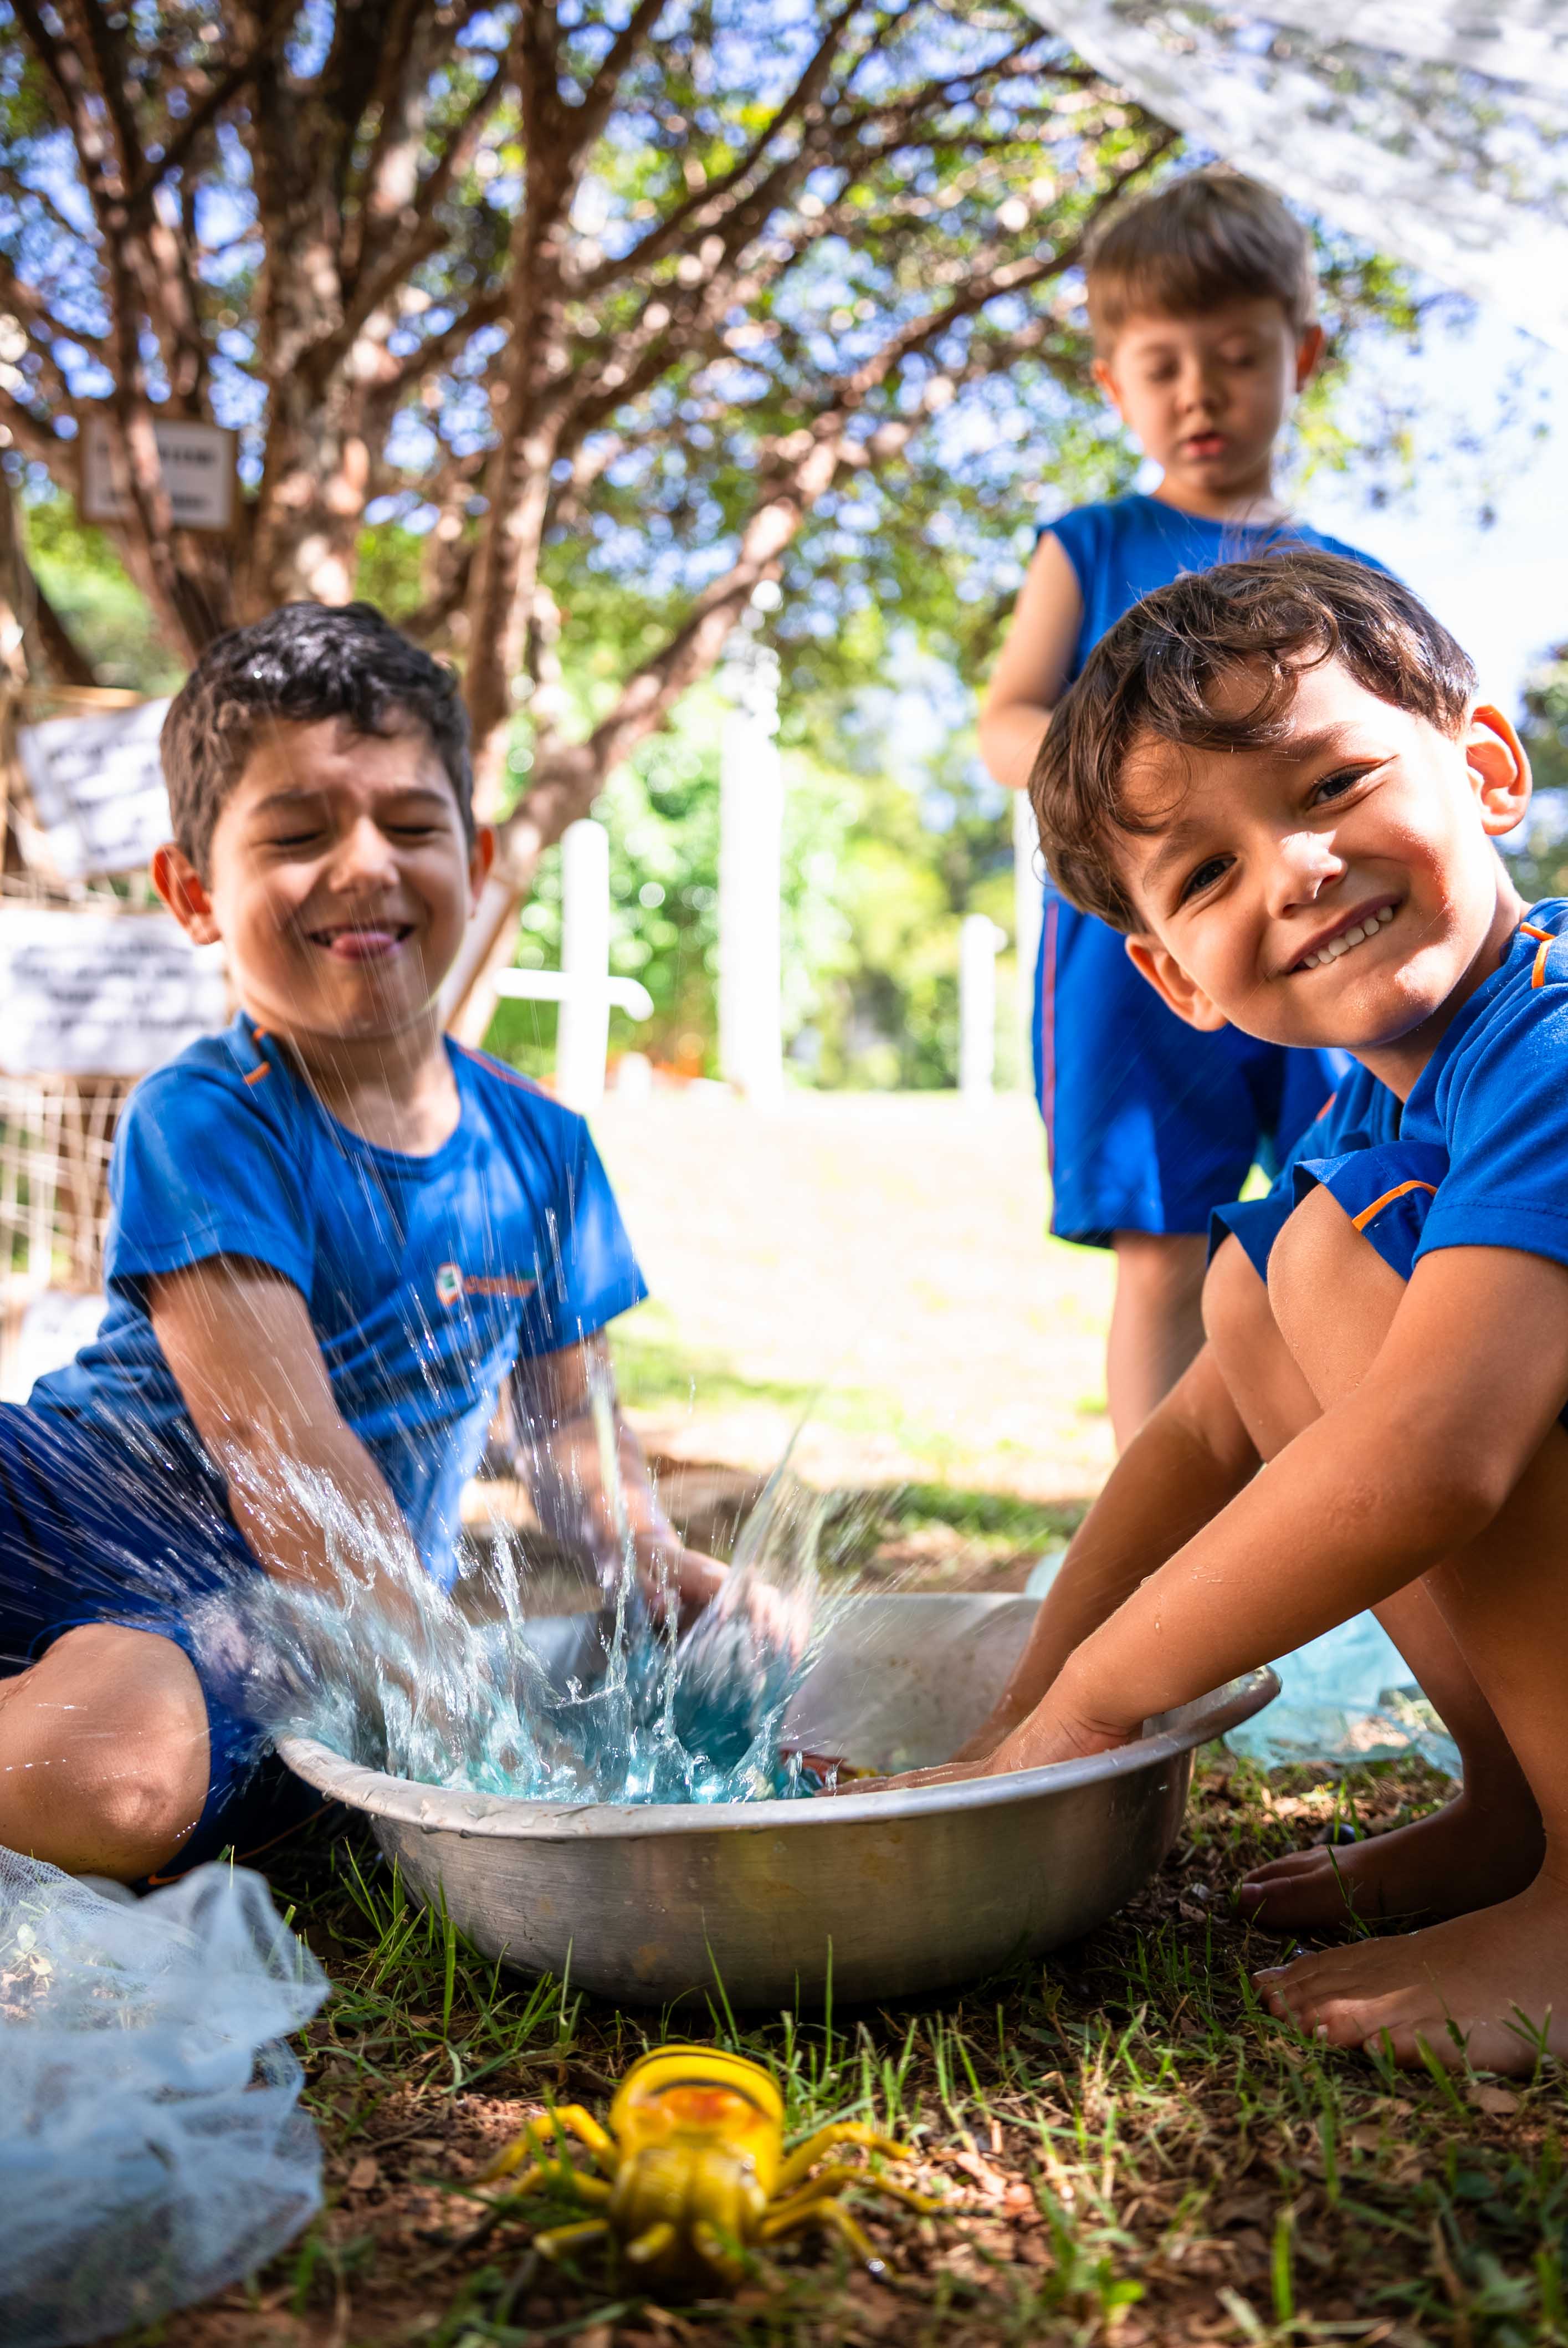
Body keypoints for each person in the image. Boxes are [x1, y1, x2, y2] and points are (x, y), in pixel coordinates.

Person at [905, 550, 1568, 2072]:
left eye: (1328, 782)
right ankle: (1522, 1800)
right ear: (1173, 976)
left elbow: (1430, 1458)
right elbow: (1201, 1425)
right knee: (1261, 1278)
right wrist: (1012, 1733)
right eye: (1202, 873)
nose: (1289, 868)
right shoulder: (1365, 1120)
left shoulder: (1546, 1043)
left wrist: (1093, 1702)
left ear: (1481, 769)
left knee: (1331, 1256)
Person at [0, 602, 727, 1885]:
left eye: (408, 823)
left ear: (479, 853)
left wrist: (656, 1565)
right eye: (295, 832)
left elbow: (568, 1436)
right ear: (193, 894)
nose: (363, 866)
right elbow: (289, 1461)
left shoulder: (542, 1151)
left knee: (118, 1777)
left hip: (256, 1617)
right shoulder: (211, 1113)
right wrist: (481, 1735)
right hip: (62, 1501)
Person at [980, 168, 1379, 1447]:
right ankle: (1159, 1566)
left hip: (1328, 930)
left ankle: (1337, 1530)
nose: (1197, 393)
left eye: (1232, 356)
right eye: (1159, 365)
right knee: (1161, 1248)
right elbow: (1004, 718)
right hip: (1137, 957)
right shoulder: (1086, 547)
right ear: (1111, 383)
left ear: (1299, 353)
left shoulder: (1347, 580)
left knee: (1352, 1221)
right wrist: (1137, 796)